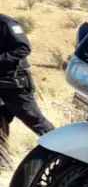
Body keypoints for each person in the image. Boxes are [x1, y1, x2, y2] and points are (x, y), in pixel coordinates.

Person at [0, 13, 55, 164]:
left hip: (16, 86)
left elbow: (23, 48)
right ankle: (4, 164)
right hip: (2, 86)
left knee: (36, 122)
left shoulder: (6, 23)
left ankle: (65, 156)